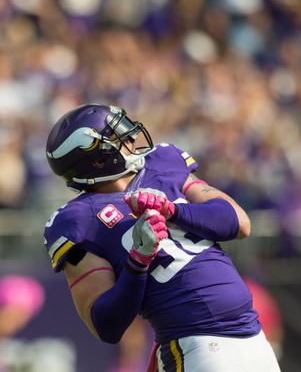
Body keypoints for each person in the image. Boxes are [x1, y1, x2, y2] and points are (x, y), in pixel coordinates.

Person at [43, 104, 281, 371]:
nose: (131, 137)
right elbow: (105, 325)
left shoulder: (163, 163)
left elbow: (238, 222)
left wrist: (173, 211)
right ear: (98, 159)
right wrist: (138, 260)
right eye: (119, 136)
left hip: (254, 336)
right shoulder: (78, 220)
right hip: (198, 345)